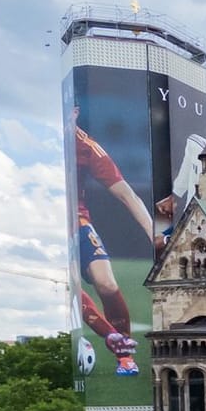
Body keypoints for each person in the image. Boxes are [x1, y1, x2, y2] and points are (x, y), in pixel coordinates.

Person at [66, 102, 159, 377]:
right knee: (71, 287)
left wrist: (153, 234)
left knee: (106, 283)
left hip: (78, 221)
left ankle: (126, 357)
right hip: (47, 224)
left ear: (75, 112)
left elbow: (127, 194)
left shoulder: (86, 147)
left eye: (70, 113)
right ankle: (112, 338)